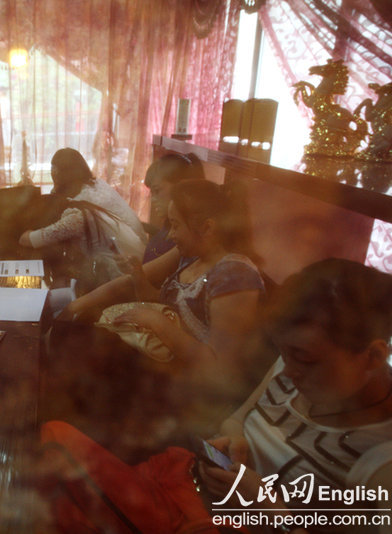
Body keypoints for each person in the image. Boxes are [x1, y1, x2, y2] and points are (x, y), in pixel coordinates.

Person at [39, 259, 392, 534]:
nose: (286, 372)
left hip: (220, 520)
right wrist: (235, 439)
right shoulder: (297, 364)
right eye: (285, 355)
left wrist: (269, 507)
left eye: (303, 359)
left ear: (373, 357)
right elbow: (238, 417)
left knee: (56, 440)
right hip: (193, 485)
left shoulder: (379, 461)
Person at [60, 180, 264, 371]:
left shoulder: (235, 276)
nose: (170, 235)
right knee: (75, 332)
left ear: (207, 228)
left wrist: (157, 322)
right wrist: (139, 277)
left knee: (75, 343)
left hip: (180, 384)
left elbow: (218, 368)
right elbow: (162, 302)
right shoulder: (192, 255)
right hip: (156, 359)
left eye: (175, 225)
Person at [18, 148, 148, 287]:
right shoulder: (96, 185)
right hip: (139, 251)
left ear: (56, 175)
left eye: (54, 172)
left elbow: (28, 239)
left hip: (127, 272)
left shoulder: (78, 213)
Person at [142, 152, 205, 263]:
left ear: (180, 187)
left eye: (157, 191)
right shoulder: (167, 225)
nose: (153, 199)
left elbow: (149, 274)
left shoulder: (185, 238)